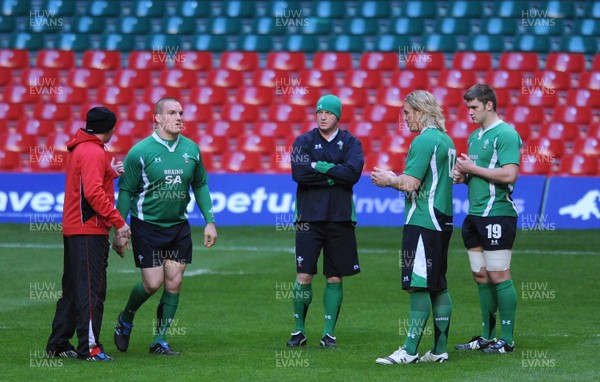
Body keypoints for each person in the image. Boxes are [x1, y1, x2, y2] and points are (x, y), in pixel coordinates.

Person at [112, 97, 217, 356]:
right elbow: (126, 191)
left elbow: (200, 184)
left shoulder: (192, 150)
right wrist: (120, 228)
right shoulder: (140, 152)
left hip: (179, 226)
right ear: (157, 118)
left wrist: (210, 221)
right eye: (172, 113)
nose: (179, 117)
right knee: (152, 283)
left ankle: (159, 339)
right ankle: (126, 318)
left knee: (174, 283)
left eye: (181, 112)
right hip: (147, 226)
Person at [372, 90, 455, 364]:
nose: (405, 118)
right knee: (438, 285)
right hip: (443, 220)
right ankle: (439, 350)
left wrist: (388, 179)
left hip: (422, 219)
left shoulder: (424, 141)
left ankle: (409, 351)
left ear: (420, 111)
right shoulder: (446, 140)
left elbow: (411, 183)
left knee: (418, 285)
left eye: (407, 113)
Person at [46, 106, 131, 361]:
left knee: (73, 289)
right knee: (91, 291)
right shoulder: (93, 151)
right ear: (110, 128)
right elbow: (93, 194)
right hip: (88, 230)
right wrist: (119, 222)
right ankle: (90, 348)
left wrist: (111, 171)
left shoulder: (82, 148)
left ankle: (59, 343)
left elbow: (89, 184)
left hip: (77, 228)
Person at [286, 94, 364, 348]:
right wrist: (334, 173)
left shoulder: (351, 142)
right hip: (309, 219)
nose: (322, 116)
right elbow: (299, 173)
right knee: (303, 275)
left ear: (337, 116)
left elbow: (352, 174)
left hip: (340, 219)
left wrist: (319, 167)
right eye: (319, 112)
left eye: (328, 113)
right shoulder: (303, 141)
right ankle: (299, 330)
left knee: (334, 277)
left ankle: (328, 332)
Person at [453, 84, 522, 354]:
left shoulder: (506, 134)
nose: (469, 112)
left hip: (498, 214)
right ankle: (485, 336)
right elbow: (479, 173)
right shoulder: (474, 136)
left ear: (489, 105)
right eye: (468, 107)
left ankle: (507, 339)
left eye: (474, 107)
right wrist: (463, 176)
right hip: (474, 215)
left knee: (498, 274)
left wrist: (472, 168)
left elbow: (509, 175)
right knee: (481, 276)